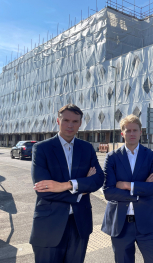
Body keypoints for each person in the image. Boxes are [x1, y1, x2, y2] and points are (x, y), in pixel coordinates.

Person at [30, 104, 104, 263]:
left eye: (75, 121)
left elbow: (98, 179)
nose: (70, 125)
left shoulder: (87, 148)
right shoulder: (42, 149)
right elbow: (43, 190)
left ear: (80, 123)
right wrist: (81, 189)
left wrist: (67, 185)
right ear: (58, 121)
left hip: (79, 225)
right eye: (66, 120)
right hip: (49, 225)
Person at [101, 114, 153, 263]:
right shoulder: (112, 157)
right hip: (120, 225)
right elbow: (108, 192)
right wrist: (141, 188)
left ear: (141, 132)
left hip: (147, 223)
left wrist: (126, 185)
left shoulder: (151, 156)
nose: (132, 134)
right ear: (122, 133)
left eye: (135, 130)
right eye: (128, 130)